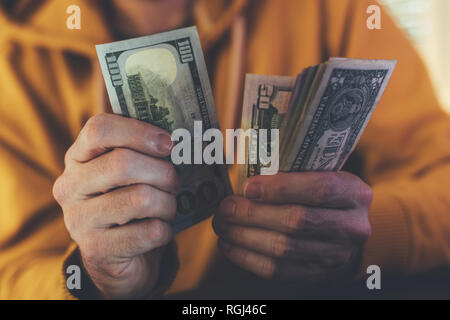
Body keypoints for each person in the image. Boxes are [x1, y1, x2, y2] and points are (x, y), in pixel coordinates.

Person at [0, 0, 449, 299]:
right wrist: (89, 280)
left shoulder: (331, 9)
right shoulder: (11, 59)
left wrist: (367, 239)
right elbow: (12, 272)